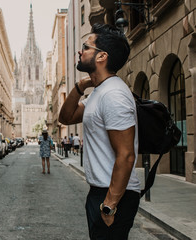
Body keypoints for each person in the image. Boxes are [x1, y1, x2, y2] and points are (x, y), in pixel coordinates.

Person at [59, 23, 140, 240]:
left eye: (86, 47)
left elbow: (126, 154)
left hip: (113, 196)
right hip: (100, 191)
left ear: (101, 56)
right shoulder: (99, 92)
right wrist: (81, 85)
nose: (80, 51)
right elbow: (65, 118)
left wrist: (109, 205)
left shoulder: (113, 94)